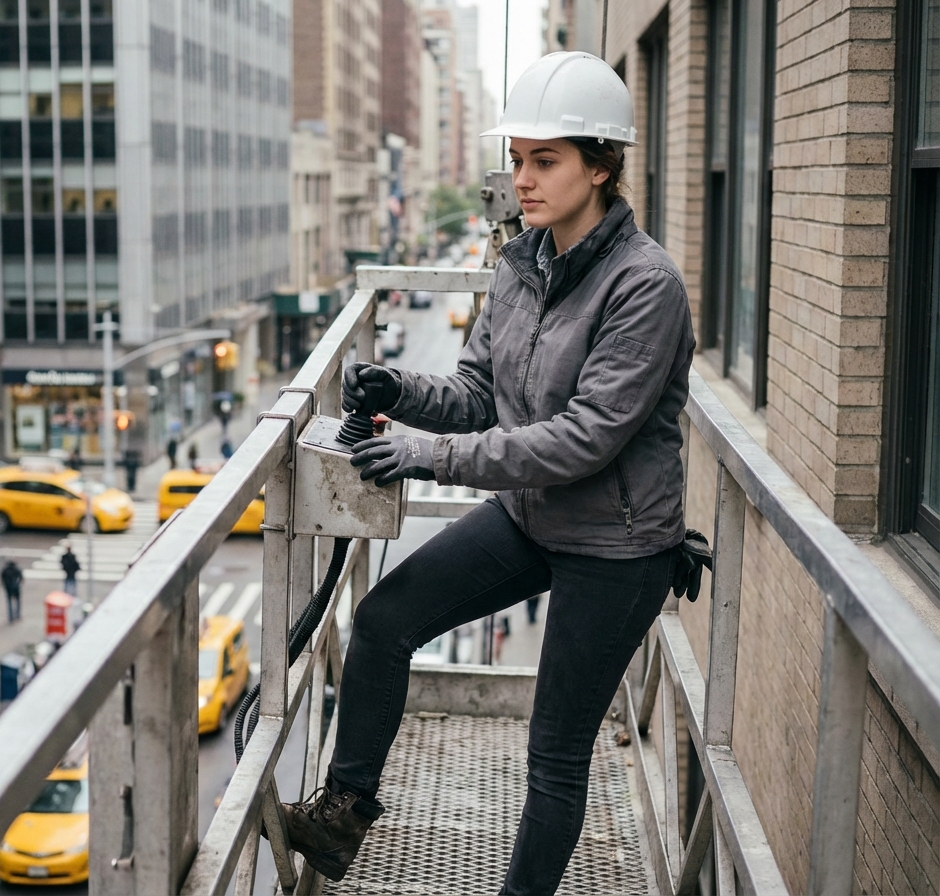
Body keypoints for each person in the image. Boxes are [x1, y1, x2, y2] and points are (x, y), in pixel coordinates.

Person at [280, 52, 699, 896]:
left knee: (553, 757)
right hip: (534, 515)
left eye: (545, 160)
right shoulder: (523, 262)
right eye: (517, 160)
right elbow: (478, 392)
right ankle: (344, 816)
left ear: (601, 167)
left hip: (616, 547)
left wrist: (425, 455)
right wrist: (400, 389)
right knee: (386, 616)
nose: (524, 178)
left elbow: (582, 439)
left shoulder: (645, 286)